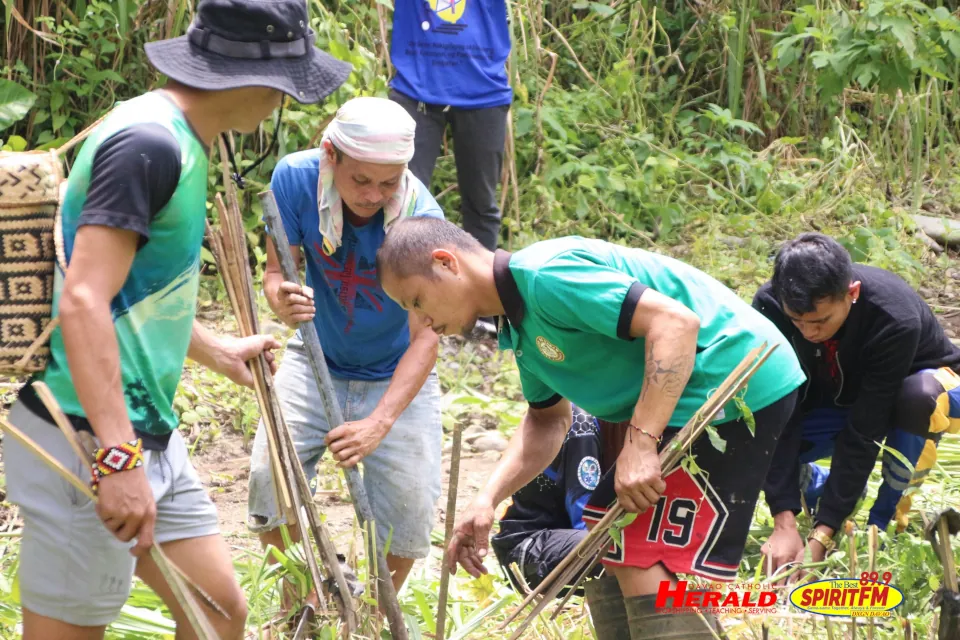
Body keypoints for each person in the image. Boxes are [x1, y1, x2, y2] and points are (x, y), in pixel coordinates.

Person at [0, 1, 351, 638]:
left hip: (144, 432)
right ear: (250, 79)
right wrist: (116, 460)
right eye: (284, 86)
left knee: (218, 613)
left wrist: (216, 351)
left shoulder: (182, 141)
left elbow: (130, 294)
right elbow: (82, 300)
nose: (282, 104)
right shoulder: (148, 144)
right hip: (85, 436)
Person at [374, 217, 805, 639]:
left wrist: (640, 444)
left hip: (733, 383)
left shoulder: (546, 275)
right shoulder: (520, 327)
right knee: (608, 547)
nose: (422, 321)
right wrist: (488, 499)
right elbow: (547, 420)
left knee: (641, 556)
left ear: (446, 262)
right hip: (686, 403)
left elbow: (675, 324)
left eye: (416, 301)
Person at [247, 97, 444, 595]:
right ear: (330, 155)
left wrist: (381, 422)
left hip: (396, 368)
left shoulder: (421, 217)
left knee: (410, 510)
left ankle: (378, 612)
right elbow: (276, 273)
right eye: (361, 180)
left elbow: (427, 338)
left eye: (389, 182)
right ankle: (307, 594)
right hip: (316, 357)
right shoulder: (294, 180)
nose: (375, 195)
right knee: (269, 480)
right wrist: (281, 300)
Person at [752, 232, 960, 576]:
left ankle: (882, 524)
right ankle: (820, 486)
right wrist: (783, 521)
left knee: (915, 397)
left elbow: (865, 428)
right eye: (797, 321)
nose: (808, 333)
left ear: (852, 294)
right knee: (755, 426)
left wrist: (822, 534)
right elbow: (778, 409)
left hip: (930, 390)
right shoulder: (770, 306)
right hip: (839, 394)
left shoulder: (893, 318)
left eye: (819, 321)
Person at [387, 0, 511, 253]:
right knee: (401, 200)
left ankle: (481, 286)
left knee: (482, 205)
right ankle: (398, 285)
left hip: (484, 91)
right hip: (415, 90)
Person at [492, 404, 604, 594]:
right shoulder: (582, 423)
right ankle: (666, 602)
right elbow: (587, 521)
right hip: (529, 551)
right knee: (615, 549)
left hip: (571, 541)